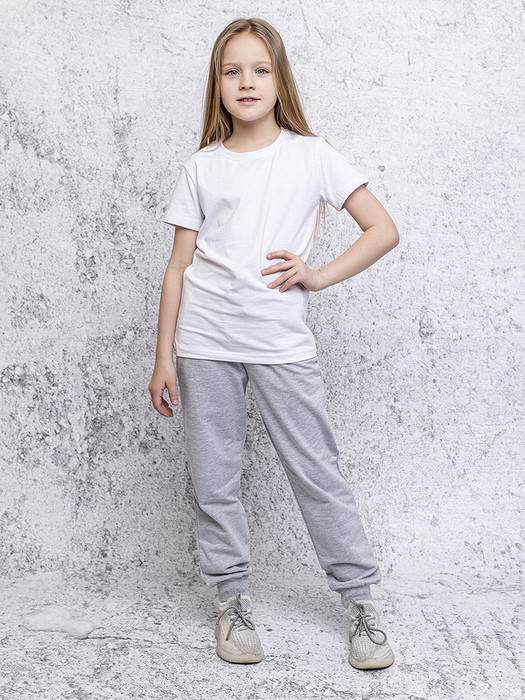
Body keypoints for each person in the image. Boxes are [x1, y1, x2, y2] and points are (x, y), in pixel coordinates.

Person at [149, 17, 399, 671]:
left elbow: (381, 229)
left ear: (280, 80)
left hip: (280, 343)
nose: (246, 82)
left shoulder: (312, 155)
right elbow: (177, 268)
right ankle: (230, 601)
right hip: (204, 343)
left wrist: (317, 275)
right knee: (214, 480)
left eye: (260, 69)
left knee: (318, 474)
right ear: (217, 84)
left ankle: (360, 603)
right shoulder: (202, 167)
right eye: (232, 71)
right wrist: (163, 357)